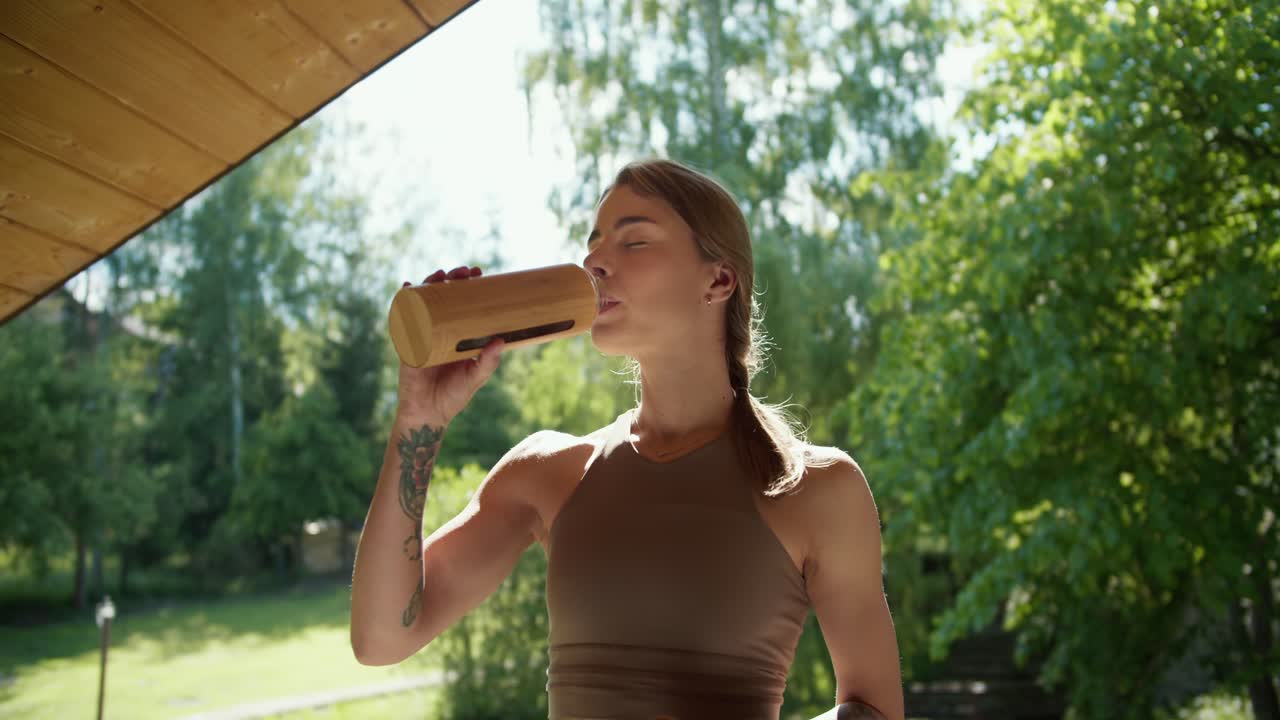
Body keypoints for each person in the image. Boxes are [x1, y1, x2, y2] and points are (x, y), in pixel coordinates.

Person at [350, 159, 904, 720]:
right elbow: (381, 638)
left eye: (634, 241)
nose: (594, 261)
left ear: (718, 280)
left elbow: (873, 710)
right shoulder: (547, 472)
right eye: (593, 244)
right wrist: (419, 420)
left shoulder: (817, 488)